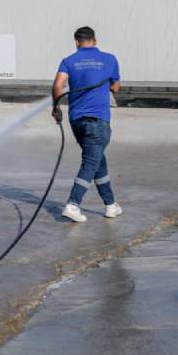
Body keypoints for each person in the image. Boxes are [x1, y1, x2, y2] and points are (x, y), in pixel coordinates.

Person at [51, 26, 122, 223]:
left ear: (76, 41)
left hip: (77, 121)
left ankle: (111, 205)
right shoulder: (110, 59)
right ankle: (73, 204)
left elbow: (58, 86)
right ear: (95, 40)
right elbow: (115, 87)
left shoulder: (69, 61)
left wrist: (56, 109)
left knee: (98, 161)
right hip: (98, 120)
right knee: (91, 162)